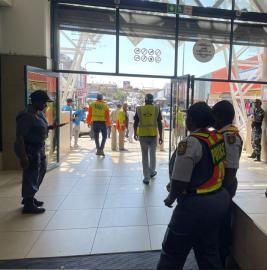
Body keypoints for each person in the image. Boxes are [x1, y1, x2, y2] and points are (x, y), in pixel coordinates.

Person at [157, 102, 230, 270]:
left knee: (172, 252)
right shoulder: (216, 137)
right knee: (208, 251)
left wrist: (171, 197)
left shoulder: (190, 143)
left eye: (187, 117)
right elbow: (210, 167)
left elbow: (181, 179)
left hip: (195, 206)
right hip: (218, 199)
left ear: (191, 120)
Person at [14, 90, 66, 214]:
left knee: (41, 171)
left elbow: (38, 128)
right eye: (44, 102)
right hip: (29, 149)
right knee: (31, 174)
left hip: (39, 147)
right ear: (36, 102)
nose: (46, 105)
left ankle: (30, 196)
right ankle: (28, 203)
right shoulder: (26, 115)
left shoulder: (39, 113)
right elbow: (20, 136)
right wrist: (23, 156)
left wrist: (51, 127)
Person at [212, 100, 243, 266]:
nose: (212, 120)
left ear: (221, 117)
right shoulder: (222, 133)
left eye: (214, 116)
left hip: (225, 185)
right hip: (221, 185)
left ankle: (222, 256)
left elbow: (231, 169)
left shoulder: (229, 136)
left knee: (222, 223)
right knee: (218, 221)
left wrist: (221, 191)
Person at [134, 94, 163, 184]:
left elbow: (135, 122)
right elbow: (160, 123)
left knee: (144, 156)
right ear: (152, 100)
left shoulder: (139, 109)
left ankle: (146, 178)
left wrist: (135, 133)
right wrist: (161, 136)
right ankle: (151, 172)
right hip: (153, 135)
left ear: (145, 101)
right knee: (152, 154)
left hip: (142, 135)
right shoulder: (156, 109)